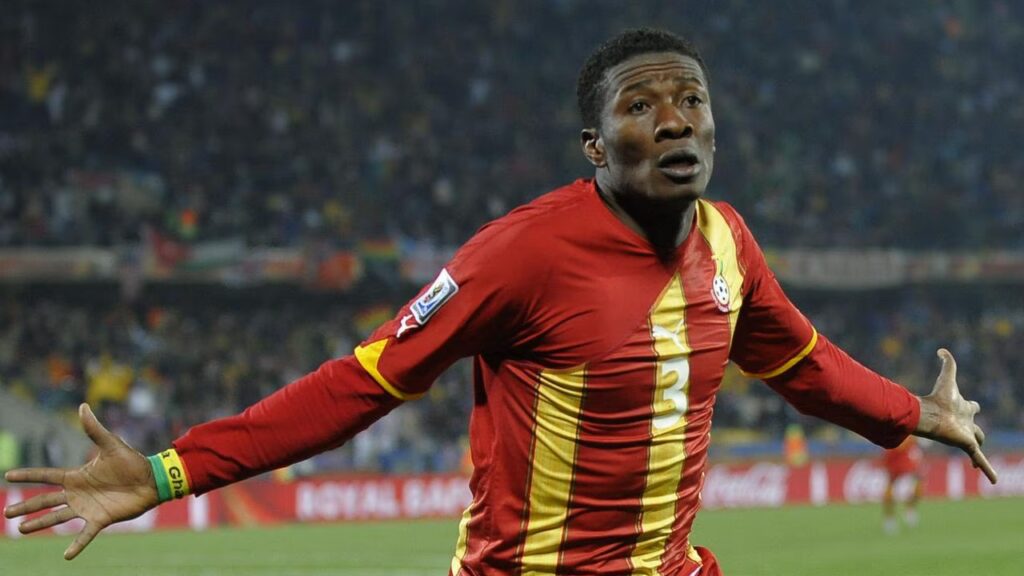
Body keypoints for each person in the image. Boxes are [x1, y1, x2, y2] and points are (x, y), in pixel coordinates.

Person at [3, 28, 997, 576]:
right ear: (594, 148)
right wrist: (170, 471)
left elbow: (805, 365)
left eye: (690, 100)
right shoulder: (521, 255)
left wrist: (920, 413)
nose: (674, 120)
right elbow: (360, 384)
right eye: (641, 106)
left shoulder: (728, 242)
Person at [881, 435, 925, 534]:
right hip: (892, 460)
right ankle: (889, 519)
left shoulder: (910, 435)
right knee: (890, 492)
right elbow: (898, 446)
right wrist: (912, 440)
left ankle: (910, 510)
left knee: (918, 485)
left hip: (906, 461)